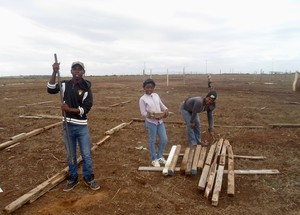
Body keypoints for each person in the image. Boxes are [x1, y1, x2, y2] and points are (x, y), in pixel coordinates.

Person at [47, 61, 100, 191]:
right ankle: (73, 178)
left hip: (81, 127)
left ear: (83, 72)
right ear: (71, 71)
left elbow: (86, 108)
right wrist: (54, 71)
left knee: (86, 154)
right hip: (67, 126)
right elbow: (51, 89)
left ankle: (89, 178)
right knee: (71, 154)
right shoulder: (65, 84)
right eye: (74, 69)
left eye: (79, 69)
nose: (77, 71)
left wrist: (69, 109)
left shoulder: (86, 87)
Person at [139, 79, 169, 167]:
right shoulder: (142, 99)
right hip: (151, 122)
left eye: (151, 87)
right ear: (144, 88)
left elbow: (161, 104)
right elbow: (143, 113)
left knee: (164, 139)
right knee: (152, 140)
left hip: (160, 121)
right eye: (147, 87)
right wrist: (151, 115)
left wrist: (166, 110)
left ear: (154, 88)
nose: (149, 89)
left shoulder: (156, 95)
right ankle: (154, 159)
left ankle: (159, 156)